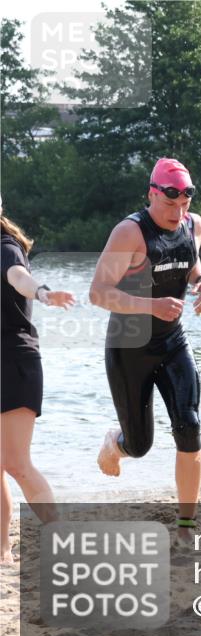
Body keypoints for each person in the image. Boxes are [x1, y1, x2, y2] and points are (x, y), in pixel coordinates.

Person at [89, 158, 201, 541]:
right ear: (152, 194)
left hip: (172, 341)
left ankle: (186, 526)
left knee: (189, 425)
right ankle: (116, 443)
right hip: (130, 347)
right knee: (140, 446)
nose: (178, 214)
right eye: (169, 204)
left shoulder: (194, 225)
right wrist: (150, 305)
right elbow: (97, 293)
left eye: (184, 205)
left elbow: (191, 264)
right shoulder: (130, 233)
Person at [1, 196, 76, 564]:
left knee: (17, 463)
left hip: (14, 363)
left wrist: (44, 293)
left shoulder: (6, 248)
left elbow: (19, 279)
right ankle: (3, 550)